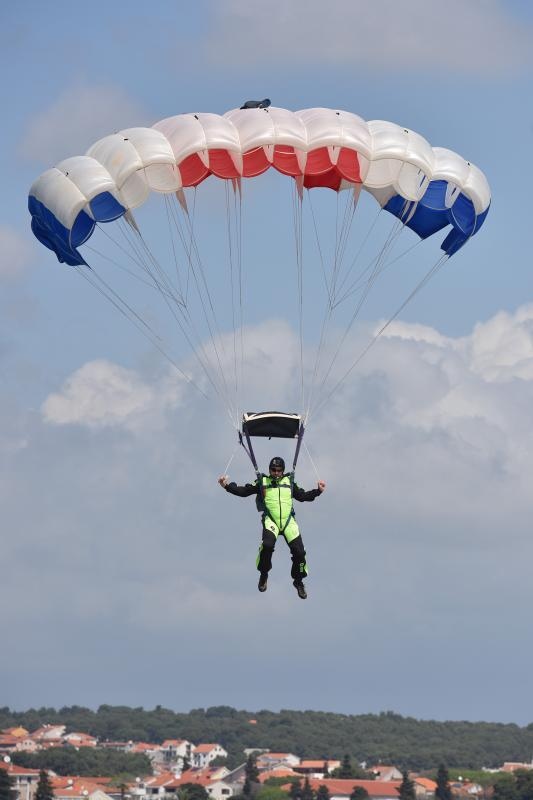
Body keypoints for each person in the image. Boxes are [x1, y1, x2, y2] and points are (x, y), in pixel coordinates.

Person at [218, 457, 326, 599]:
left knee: (299, 552)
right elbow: (244, 491)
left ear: (283, 471)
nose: (276, 473)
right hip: (271, 521)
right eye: (273, 470)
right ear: (269, 470)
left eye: (279, 471)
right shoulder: (262, 482)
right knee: (267, 545)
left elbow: (302, 496)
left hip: (288, 522)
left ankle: (298, 581)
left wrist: (318, 491)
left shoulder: (289, 482)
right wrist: (226, 486)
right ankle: (264, 574)